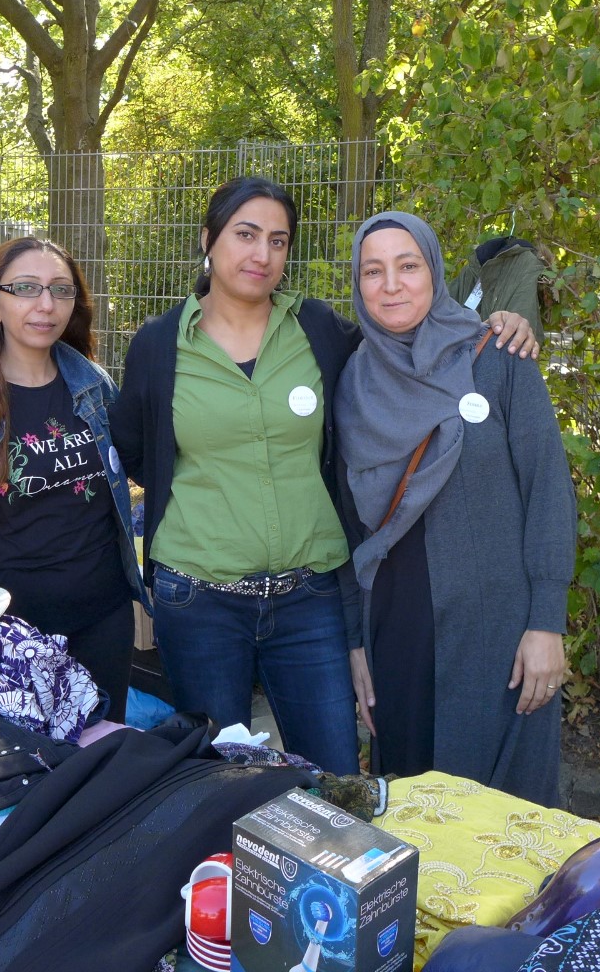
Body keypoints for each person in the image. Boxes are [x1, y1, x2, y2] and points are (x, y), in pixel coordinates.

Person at [108, 177, 537, 775]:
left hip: (308, 599)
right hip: (198, 600)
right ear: (208, 241)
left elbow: (408, 346)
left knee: (335, 779)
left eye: (278, 241)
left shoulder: (319, 332)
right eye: (246, 234)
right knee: (215, 781)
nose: (261, 254)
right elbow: (135, 450)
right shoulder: (159, 346)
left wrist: (501, 319)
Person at [336, 211, 576, 805]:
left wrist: (546, 622)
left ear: (435, 271)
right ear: (358, 285)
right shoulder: (350, 379)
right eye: (373, 271)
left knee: (508, 816)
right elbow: (345, 523)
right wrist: (356, 643)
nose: (391, 284)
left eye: (407, 265)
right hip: (396, 625)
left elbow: (547, 487)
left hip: (499, 629)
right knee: (415, 810)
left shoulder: (496, 355)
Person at [0, 237, 141, 721]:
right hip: (9, 633)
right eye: (27, 288)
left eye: (61, 290)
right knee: (32, 776)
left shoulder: (95, 386)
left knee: (102, 769)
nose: (46, 304)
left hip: (104, 617)